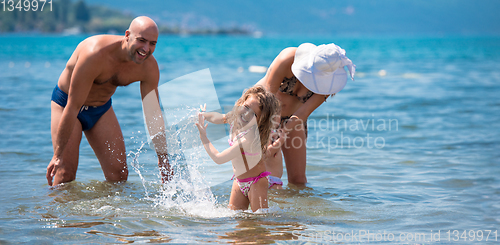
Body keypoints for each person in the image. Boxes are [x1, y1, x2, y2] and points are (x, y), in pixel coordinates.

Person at [47, 16, 171, 186]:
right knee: (65, 172)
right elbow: (73, 106)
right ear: (127, 35)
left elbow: (153, 114)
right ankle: (51, 211)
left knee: (119, 175)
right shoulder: (95, 54)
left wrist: (163, 159)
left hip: (100, 109)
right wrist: (57, 155)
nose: (146, 49)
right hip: (68, 105)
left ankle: (106, 212)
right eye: (141, 41)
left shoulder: (148, 67)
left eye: (152, 43)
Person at [256, 43, 356, 185]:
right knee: (262, 176)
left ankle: (296, 208)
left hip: (294, 120)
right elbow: (268, 98)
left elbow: (303, 112)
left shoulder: (329, 81)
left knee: (299, 180)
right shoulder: (287, 59)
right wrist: (272, 134)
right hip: (261, 112)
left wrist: (283, 133)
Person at [195, 86, 282, 212]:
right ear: (241, 103)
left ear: (261, 120)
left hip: (256, 182)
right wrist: (205, 115)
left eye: (254, 114)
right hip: (239, 181)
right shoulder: (235, 118)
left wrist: (204, 138)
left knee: (261, 221)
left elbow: (219, 158)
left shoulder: (248, 139)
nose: (246, 114)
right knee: (235, 220)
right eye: (246, 107)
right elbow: (220, 117)